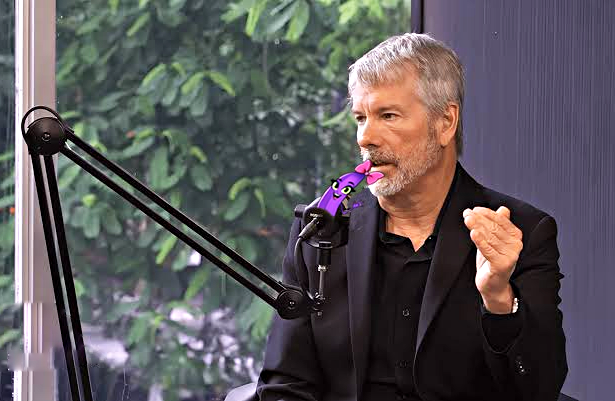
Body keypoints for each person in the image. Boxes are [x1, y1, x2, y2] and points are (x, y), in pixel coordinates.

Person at [256, 33, 567, 401]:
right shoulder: (321, 229)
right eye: (360, 118)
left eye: (387, 116)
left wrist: (499, 298)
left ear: (446, 122)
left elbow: (539, 389)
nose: (365, 138)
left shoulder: (521, 232)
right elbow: (286, 384)